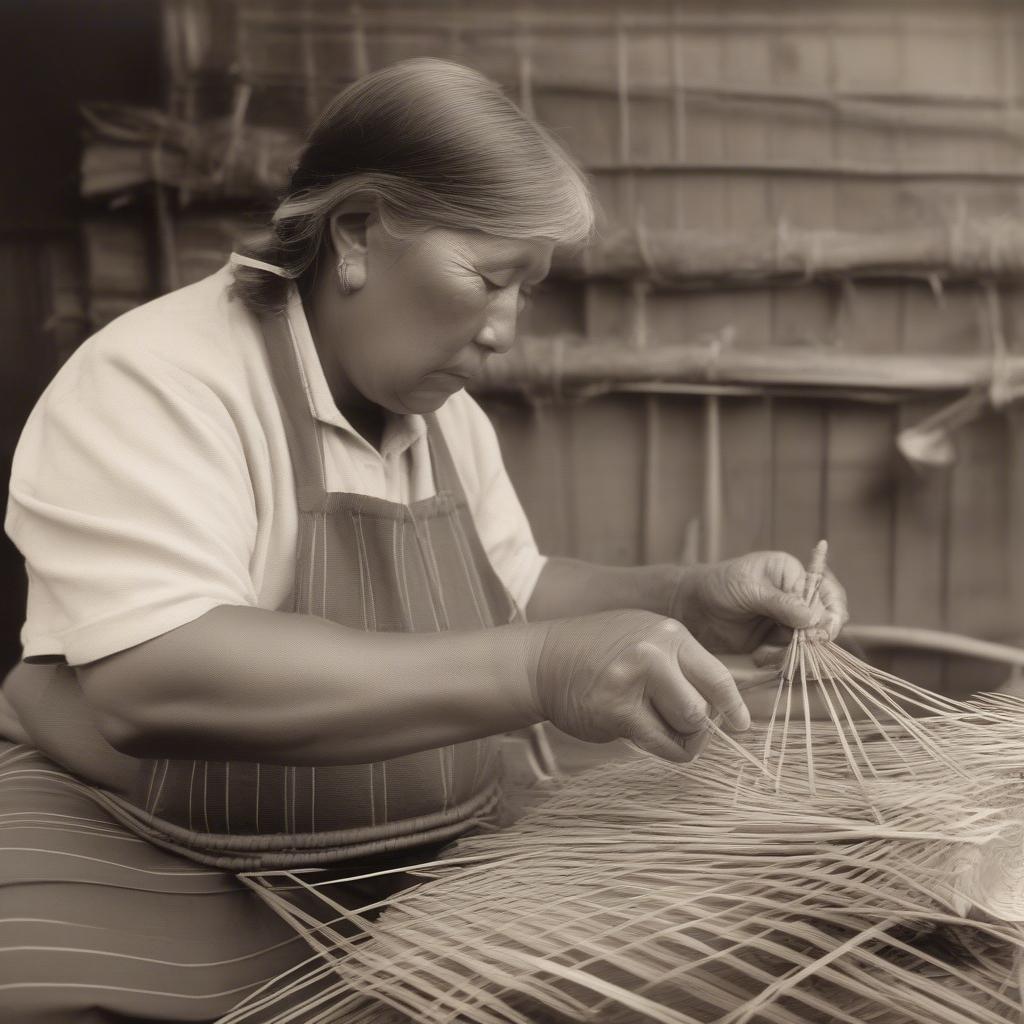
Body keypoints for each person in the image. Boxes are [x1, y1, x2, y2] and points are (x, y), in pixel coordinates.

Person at [0, 58, 847, 1022]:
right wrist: (540, 671)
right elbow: (154, 676)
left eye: (526, 291)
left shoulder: (443, 417)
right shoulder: (158, 381)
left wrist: (686, 598)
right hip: (152, 857)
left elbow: (510, 593)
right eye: (489, 278)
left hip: (413, 863)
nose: (505, 332)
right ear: (356, 234)